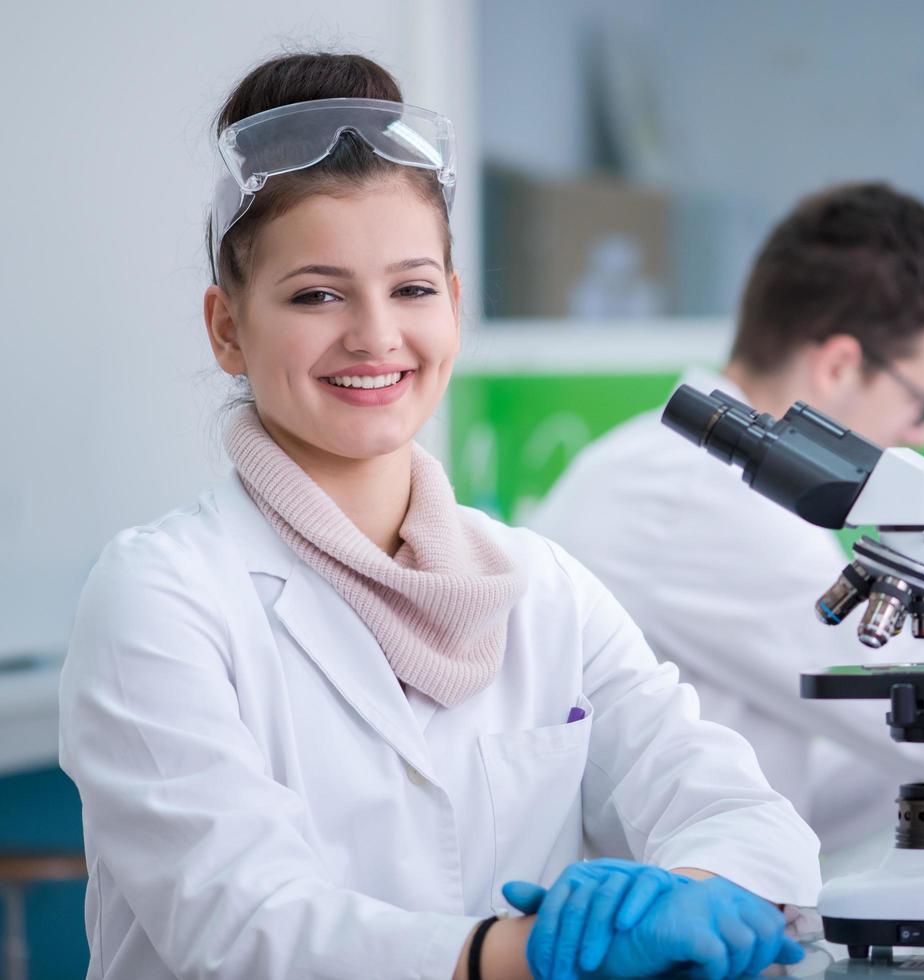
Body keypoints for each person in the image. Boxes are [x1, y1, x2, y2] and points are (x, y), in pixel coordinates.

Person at [58, 52, 820, 980]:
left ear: (454, 307)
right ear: (226, 328)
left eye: (413, 288)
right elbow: (243, 923)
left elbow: (733, 806)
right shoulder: (162, 594)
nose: (376, 335)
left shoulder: (540, 586)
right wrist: (532, 952)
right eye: (316, 294)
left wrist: (680, 894)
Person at [531, 182, 924, 851]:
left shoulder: (672, 468)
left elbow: (822, 761)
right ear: (838, 365)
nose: (923, 437)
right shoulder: (698, 494)